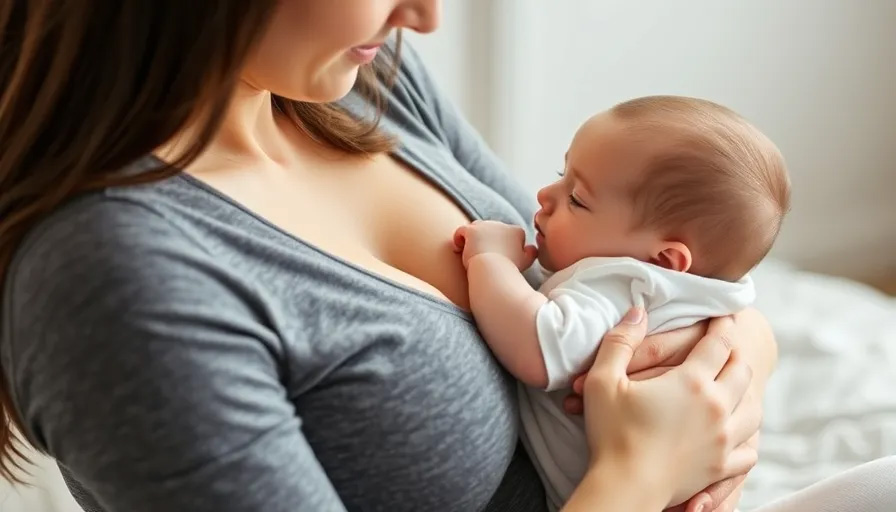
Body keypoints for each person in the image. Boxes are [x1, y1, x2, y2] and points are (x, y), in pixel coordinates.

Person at [0, 2, 890, 512]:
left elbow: (641, 276)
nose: (424, 12)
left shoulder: (362, 81)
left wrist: (738, 359)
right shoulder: (117, 281)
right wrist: (637, 475)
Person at [453, 95, 791, 511]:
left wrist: (490, 261)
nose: (544, 194)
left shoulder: (627, 281)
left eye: (577, 198)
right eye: (561, 174)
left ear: (665, 259)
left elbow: (539, 346)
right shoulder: (715, 287)